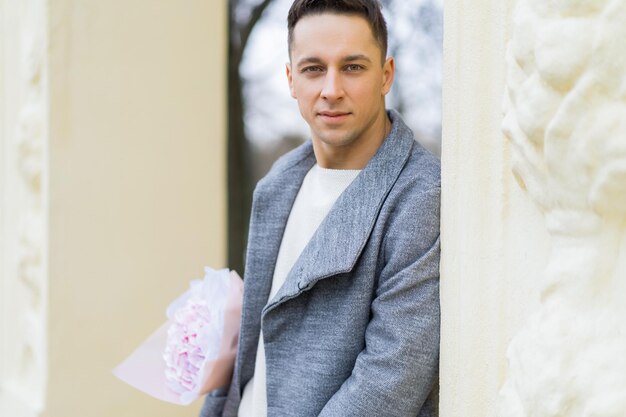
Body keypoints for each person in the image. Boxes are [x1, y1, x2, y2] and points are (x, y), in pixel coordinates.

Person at [200, 0, 440, 415]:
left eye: (352, 67)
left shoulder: (421, 195)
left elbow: (390, 382)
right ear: (291, 79)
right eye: (313, 69)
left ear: (386, 75)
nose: (331, 89)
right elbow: (252, 348)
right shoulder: (277, 185)